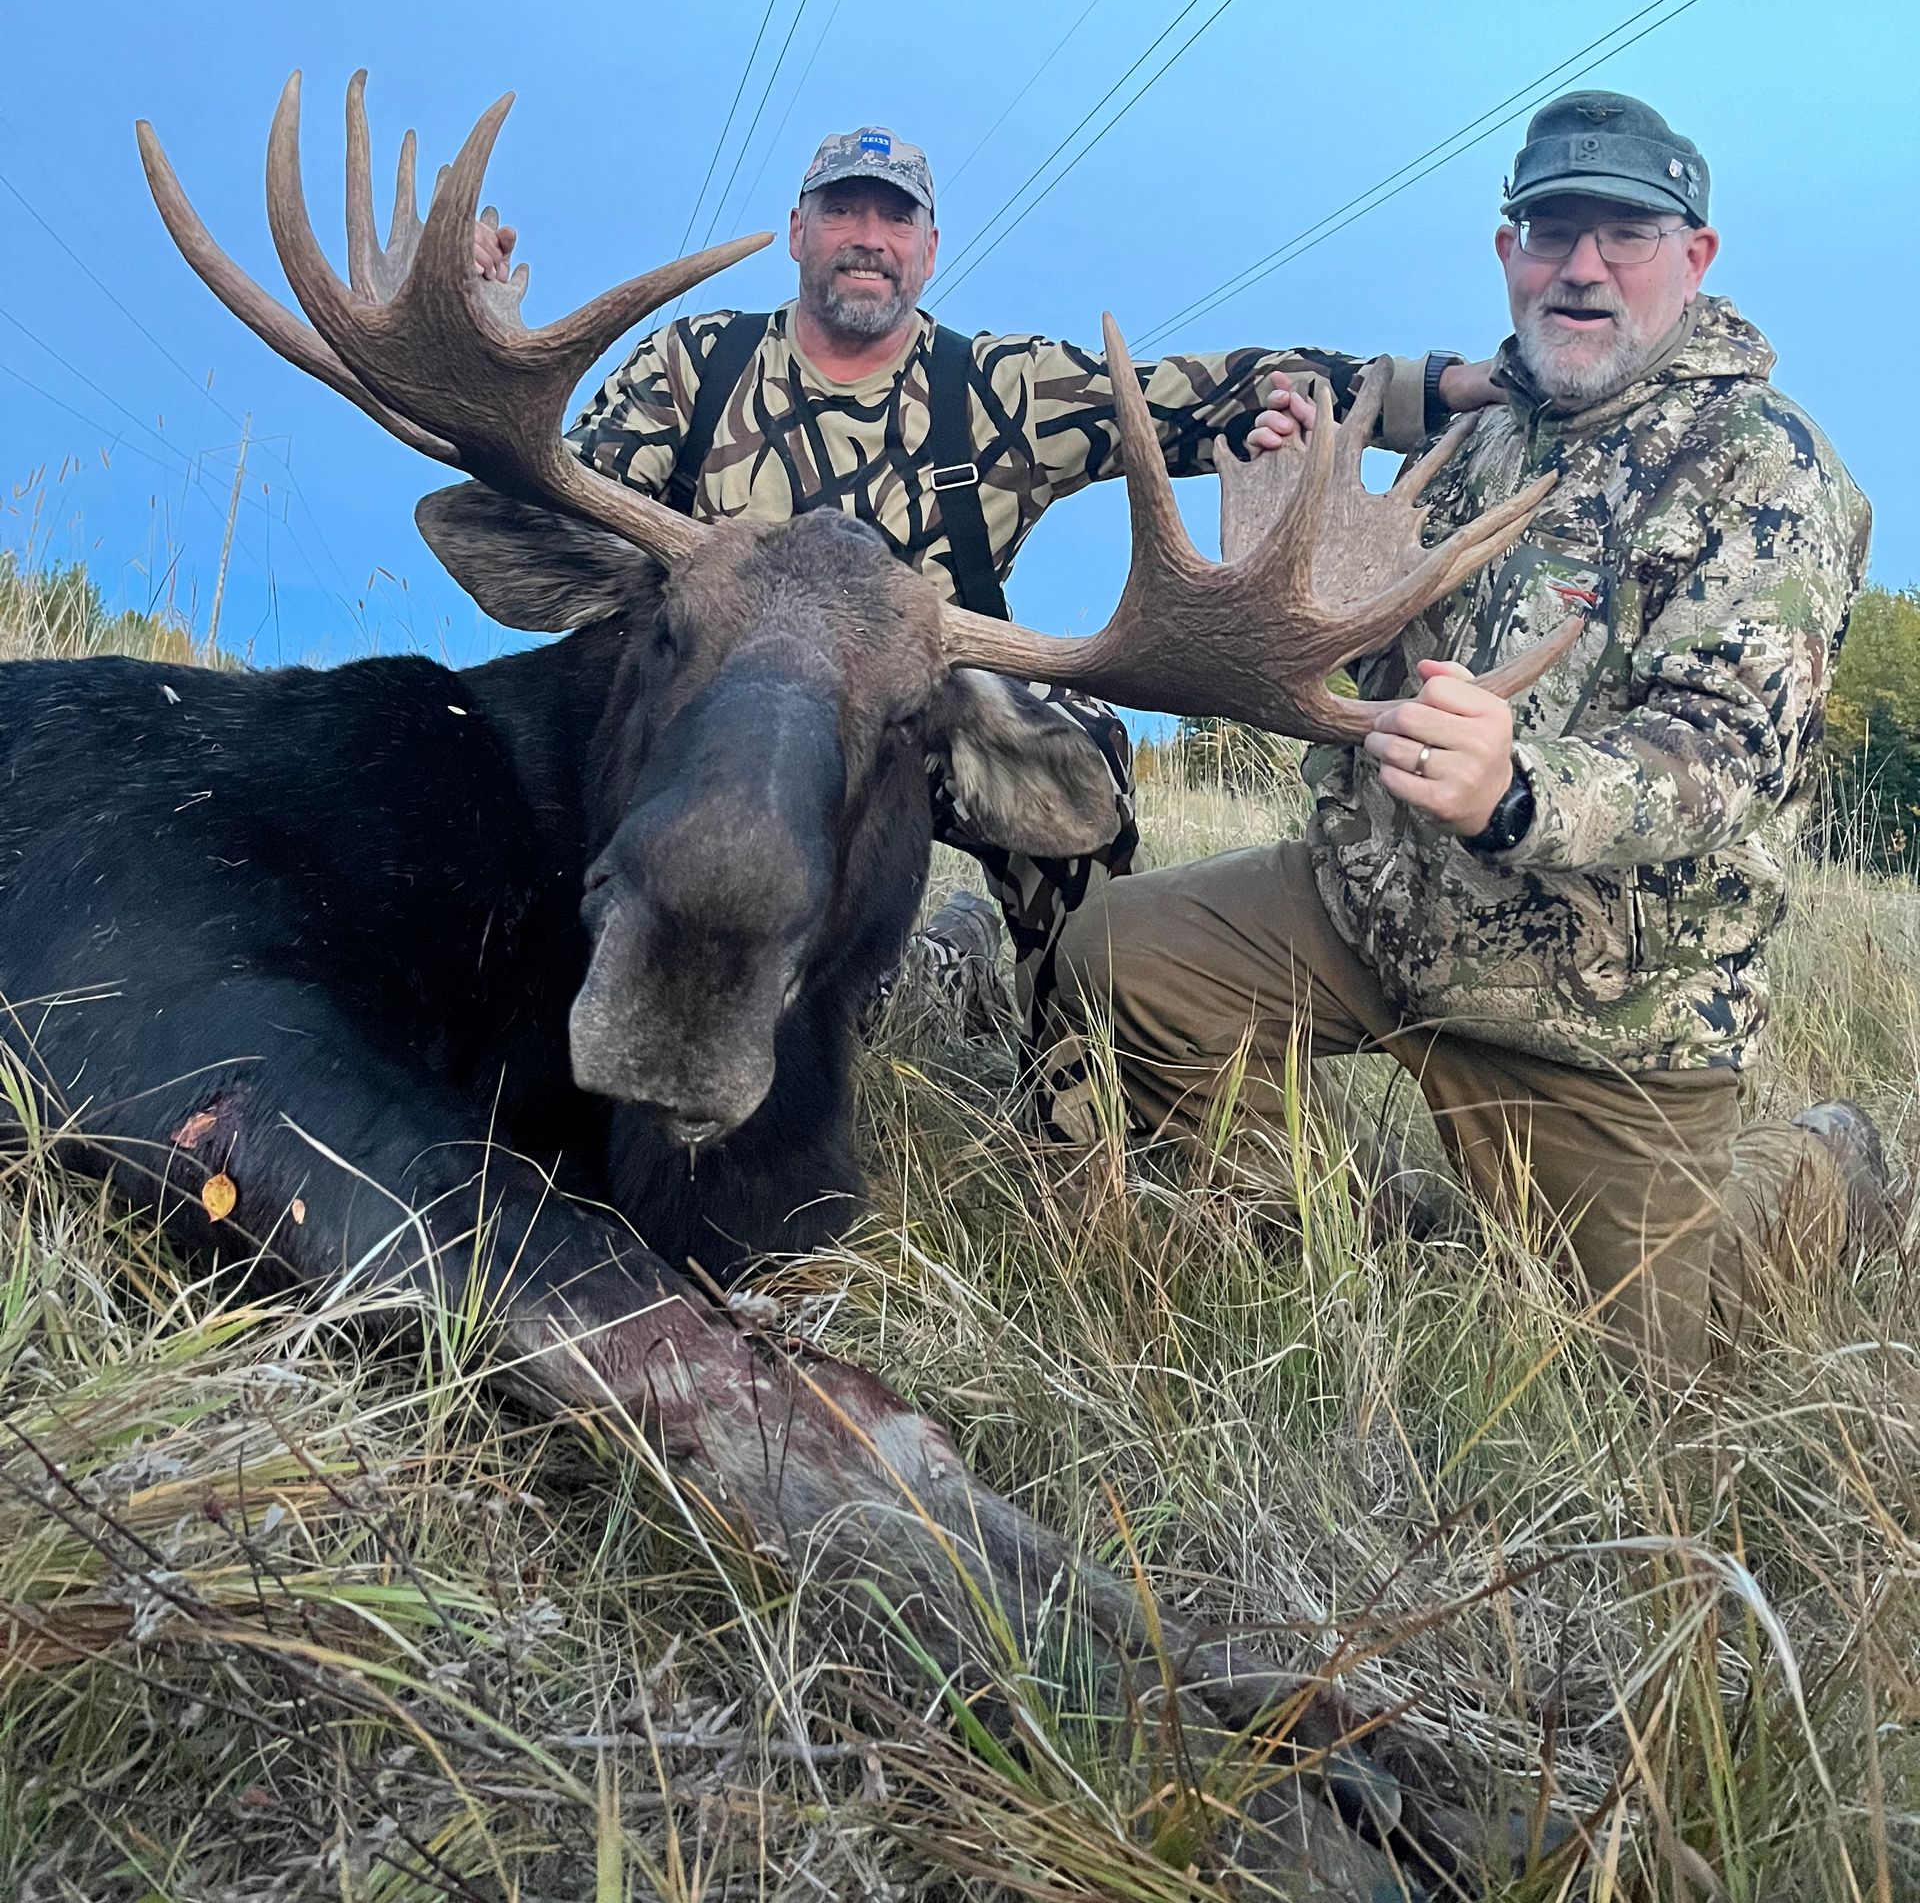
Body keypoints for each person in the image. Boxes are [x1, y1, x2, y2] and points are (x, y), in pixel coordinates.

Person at [1038, 91, 1884, 1369]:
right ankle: (1372, 1237)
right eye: (1552, 230)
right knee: (1118, 961)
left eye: (1626, 234)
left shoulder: (1764, 468)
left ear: (1694, 258)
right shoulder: (1480, 438)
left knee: (1621, 1405)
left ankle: (1817, 1173)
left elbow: (1726, 754)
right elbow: (1392, 665)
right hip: (1378, 916)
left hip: (1601, 1009)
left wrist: (1521, 790)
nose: (1583, 266)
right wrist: (1288, 560)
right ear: (1509, 252)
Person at [471, 123, 1498, 1039]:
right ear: (796, 231)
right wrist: (484, 353)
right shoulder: (693, 365)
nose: (867, 235)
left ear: (927, 248)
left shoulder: (998, 389)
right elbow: (572, 515)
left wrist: (1445, 389)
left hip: (918, 725)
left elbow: (1200, 396)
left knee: (1080, 752)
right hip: (714, 731)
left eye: (894, 217)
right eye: (842, 210)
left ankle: (1075, 1084)